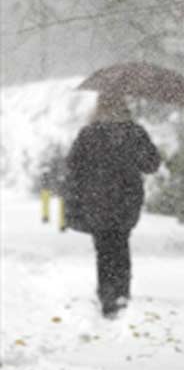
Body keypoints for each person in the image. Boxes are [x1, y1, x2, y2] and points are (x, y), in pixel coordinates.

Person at [64, 94, 161, 318]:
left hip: (96, 200)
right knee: (121, 245)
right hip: (127, 201)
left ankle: (107, 294)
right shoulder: (135, 133)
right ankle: (121, 292)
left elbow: (72, 165)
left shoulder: (88, 134)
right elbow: (152, 164)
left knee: (104, 248)